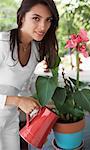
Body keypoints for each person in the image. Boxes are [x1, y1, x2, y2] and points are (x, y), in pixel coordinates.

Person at [0, 0, 59, 150]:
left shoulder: (35, 51)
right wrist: (19, 101)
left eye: (48, 20)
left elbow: (22, 87)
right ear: (21, 18)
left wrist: (38, 111)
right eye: (36, 18)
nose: (43, 27)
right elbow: (18, 98)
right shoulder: (2, 44)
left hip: (9, 120)